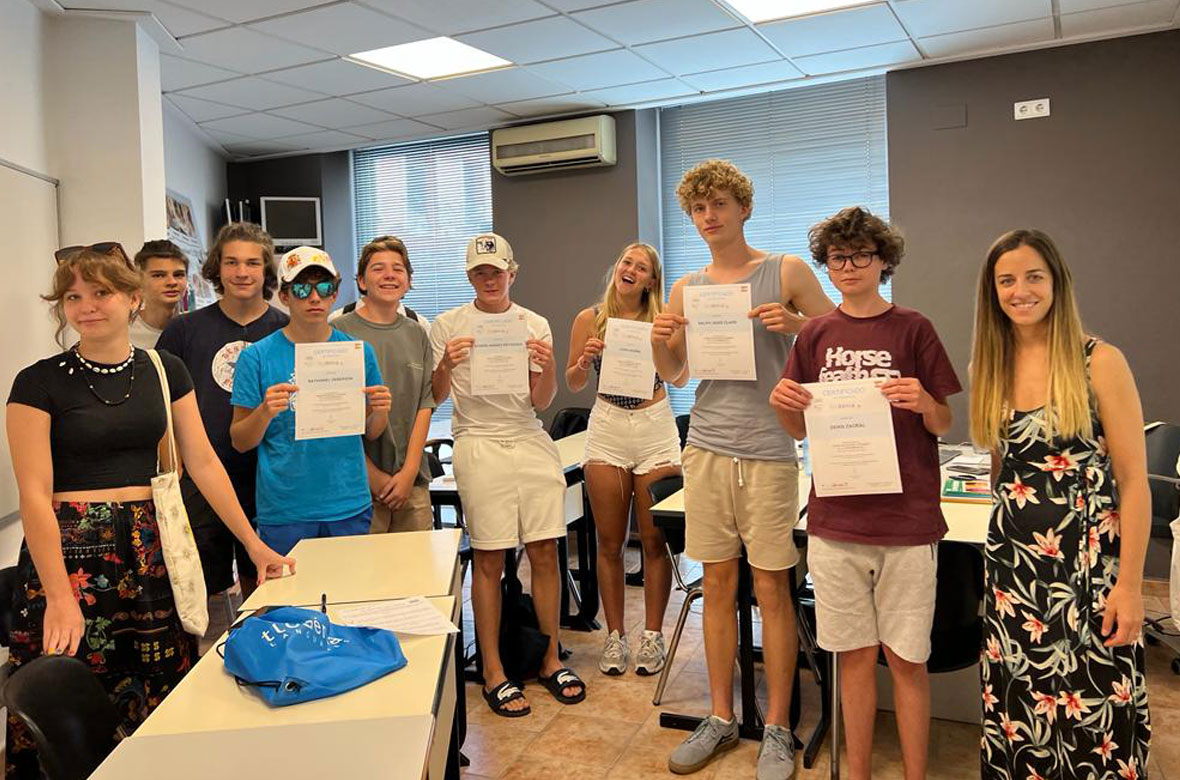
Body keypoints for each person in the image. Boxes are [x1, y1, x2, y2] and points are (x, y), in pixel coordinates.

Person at [4, 243, 293, 778]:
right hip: (69, 556)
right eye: (73, 296)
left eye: (101, 292)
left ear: (133, 299)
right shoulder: (37, 382)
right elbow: (33, 496)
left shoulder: (166, 368)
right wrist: (62, 598)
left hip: (151, 547)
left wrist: (252, 545)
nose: (87, 306)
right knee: (73, 702)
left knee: (162, 694)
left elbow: (204, 463)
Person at [652, 159, 834, 779]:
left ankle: (779, 727)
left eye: (720, 205)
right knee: (719, 590)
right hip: (706, 446)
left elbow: (840, 337)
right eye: (699, 209)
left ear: (743, 209)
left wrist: (799, 325)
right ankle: (721, 716)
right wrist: (659, 336)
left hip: (769, 450)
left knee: (774, 589)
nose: (709, 217)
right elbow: (676, 373)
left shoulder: (784, 271)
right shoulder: (687, 286)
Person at [771, 207, 961, 780]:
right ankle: (856, 773)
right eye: (837, 257)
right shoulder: (815, 333)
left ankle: (913, 774)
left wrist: (925, 403)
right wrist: (786, 409)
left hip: (907, 523)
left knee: (908, 660)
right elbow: (800, 429)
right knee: (851, 658)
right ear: (826, 265)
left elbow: (945, 421)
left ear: (884, 261)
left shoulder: (914, 327)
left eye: (861, 256)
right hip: (836, 522)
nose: (848, 266)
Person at [969, 229, 1151, 779]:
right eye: (1006, 280)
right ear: (992, 291)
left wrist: (1132, 586)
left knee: (1094, 703)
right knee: (1019, 701)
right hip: (1013, 570)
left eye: (1033, 277)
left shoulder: (1100, 360)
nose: (1020, 290)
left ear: (1056, 282)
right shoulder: (989, 365)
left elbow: (1135, 481)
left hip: (1089, 567)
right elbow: (1003, 470)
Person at [431, 233, 585, 717]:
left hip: (528, 435)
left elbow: (542, 401)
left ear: (511, 274)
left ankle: (548, 657)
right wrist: (445, 363)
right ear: (470, 277)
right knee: (490, 556)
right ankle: (494, 670)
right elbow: (436, 395)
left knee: (543, 548)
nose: (490, 278)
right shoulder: (447, 324)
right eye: (480, 272)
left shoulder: (533, 323)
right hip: (477, 439)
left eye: (497, 271)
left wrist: (547, 368)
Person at [565, 242, 684, 676]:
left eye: (642, 266)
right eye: (626, 262)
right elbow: (574, 381)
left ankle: (652, 636)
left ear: (651, 279)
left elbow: (680, 375)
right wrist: (583, 360)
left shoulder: (662, 319)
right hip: (608, 426)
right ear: (617, 269)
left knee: (654, 542)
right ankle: (614, 638)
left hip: (653, 424)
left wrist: (660, 346)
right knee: (610, 542)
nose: (630, 269)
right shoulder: (590, 318)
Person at [229, 246, 390, 556]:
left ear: (335, 294)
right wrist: (263, 412)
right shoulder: (256, 357)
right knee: (290, 602)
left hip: (348, 502)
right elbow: (239, 441)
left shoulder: (358, 352)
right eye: (302, 289)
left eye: (324, 288)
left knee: (349, 597)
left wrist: (380, 411)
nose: (314, 298)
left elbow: (371, 432)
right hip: (286, 508)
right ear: (285, 296)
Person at [156, 222, 288, 599]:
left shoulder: (287, 330)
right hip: (200, 479)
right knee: (201, 588)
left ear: (266, 270)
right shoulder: (184, 331)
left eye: (252, 263)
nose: (242, 272)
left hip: (266, 476)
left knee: (264, 582)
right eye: (232, 262)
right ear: (217, 267)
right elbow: (162, 407)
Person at [335, 236, 436, 532]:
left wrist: (408, 473)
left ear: (408, 281)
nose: (390, 275)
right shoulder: (338, 331)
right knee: (366, 575)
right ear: (362, 281)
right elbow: (333, 416)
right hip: (357, 485)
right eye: (378, 268)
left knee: (417, 574)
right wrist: (372, 476)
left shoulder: (418, 333)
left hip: (411, 485)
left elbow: (424, 405)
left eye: (398, 269)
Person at [129, 239, 188, 349]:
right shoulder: (123, 332)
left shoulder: (196, 329)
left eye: (178, 275)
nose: (172, 282)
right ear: (140, 280)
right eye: (159, 275)